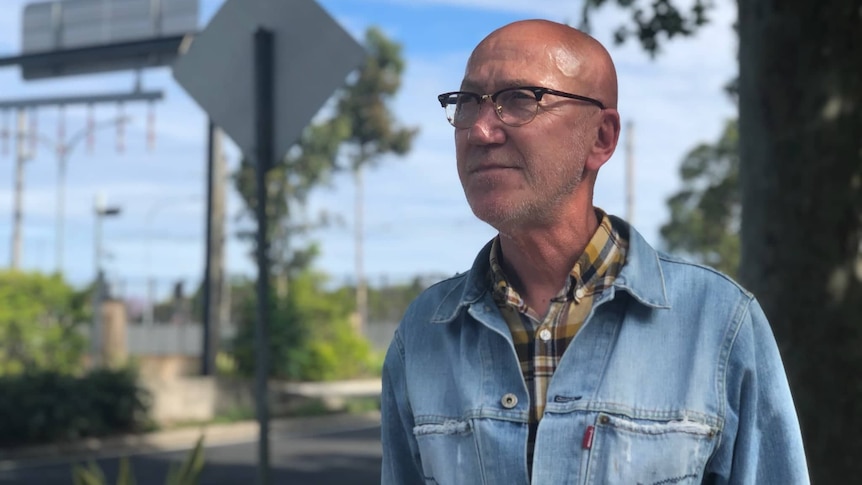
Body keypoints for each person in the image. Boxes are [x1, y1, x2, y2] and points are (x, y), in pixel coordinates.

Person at [380, 19, 809, 485]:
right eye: (466, 102)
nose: (480, 131)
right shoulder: (423, 334)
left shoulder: (720, 323)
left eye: (520, 99)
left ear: (601, 138)